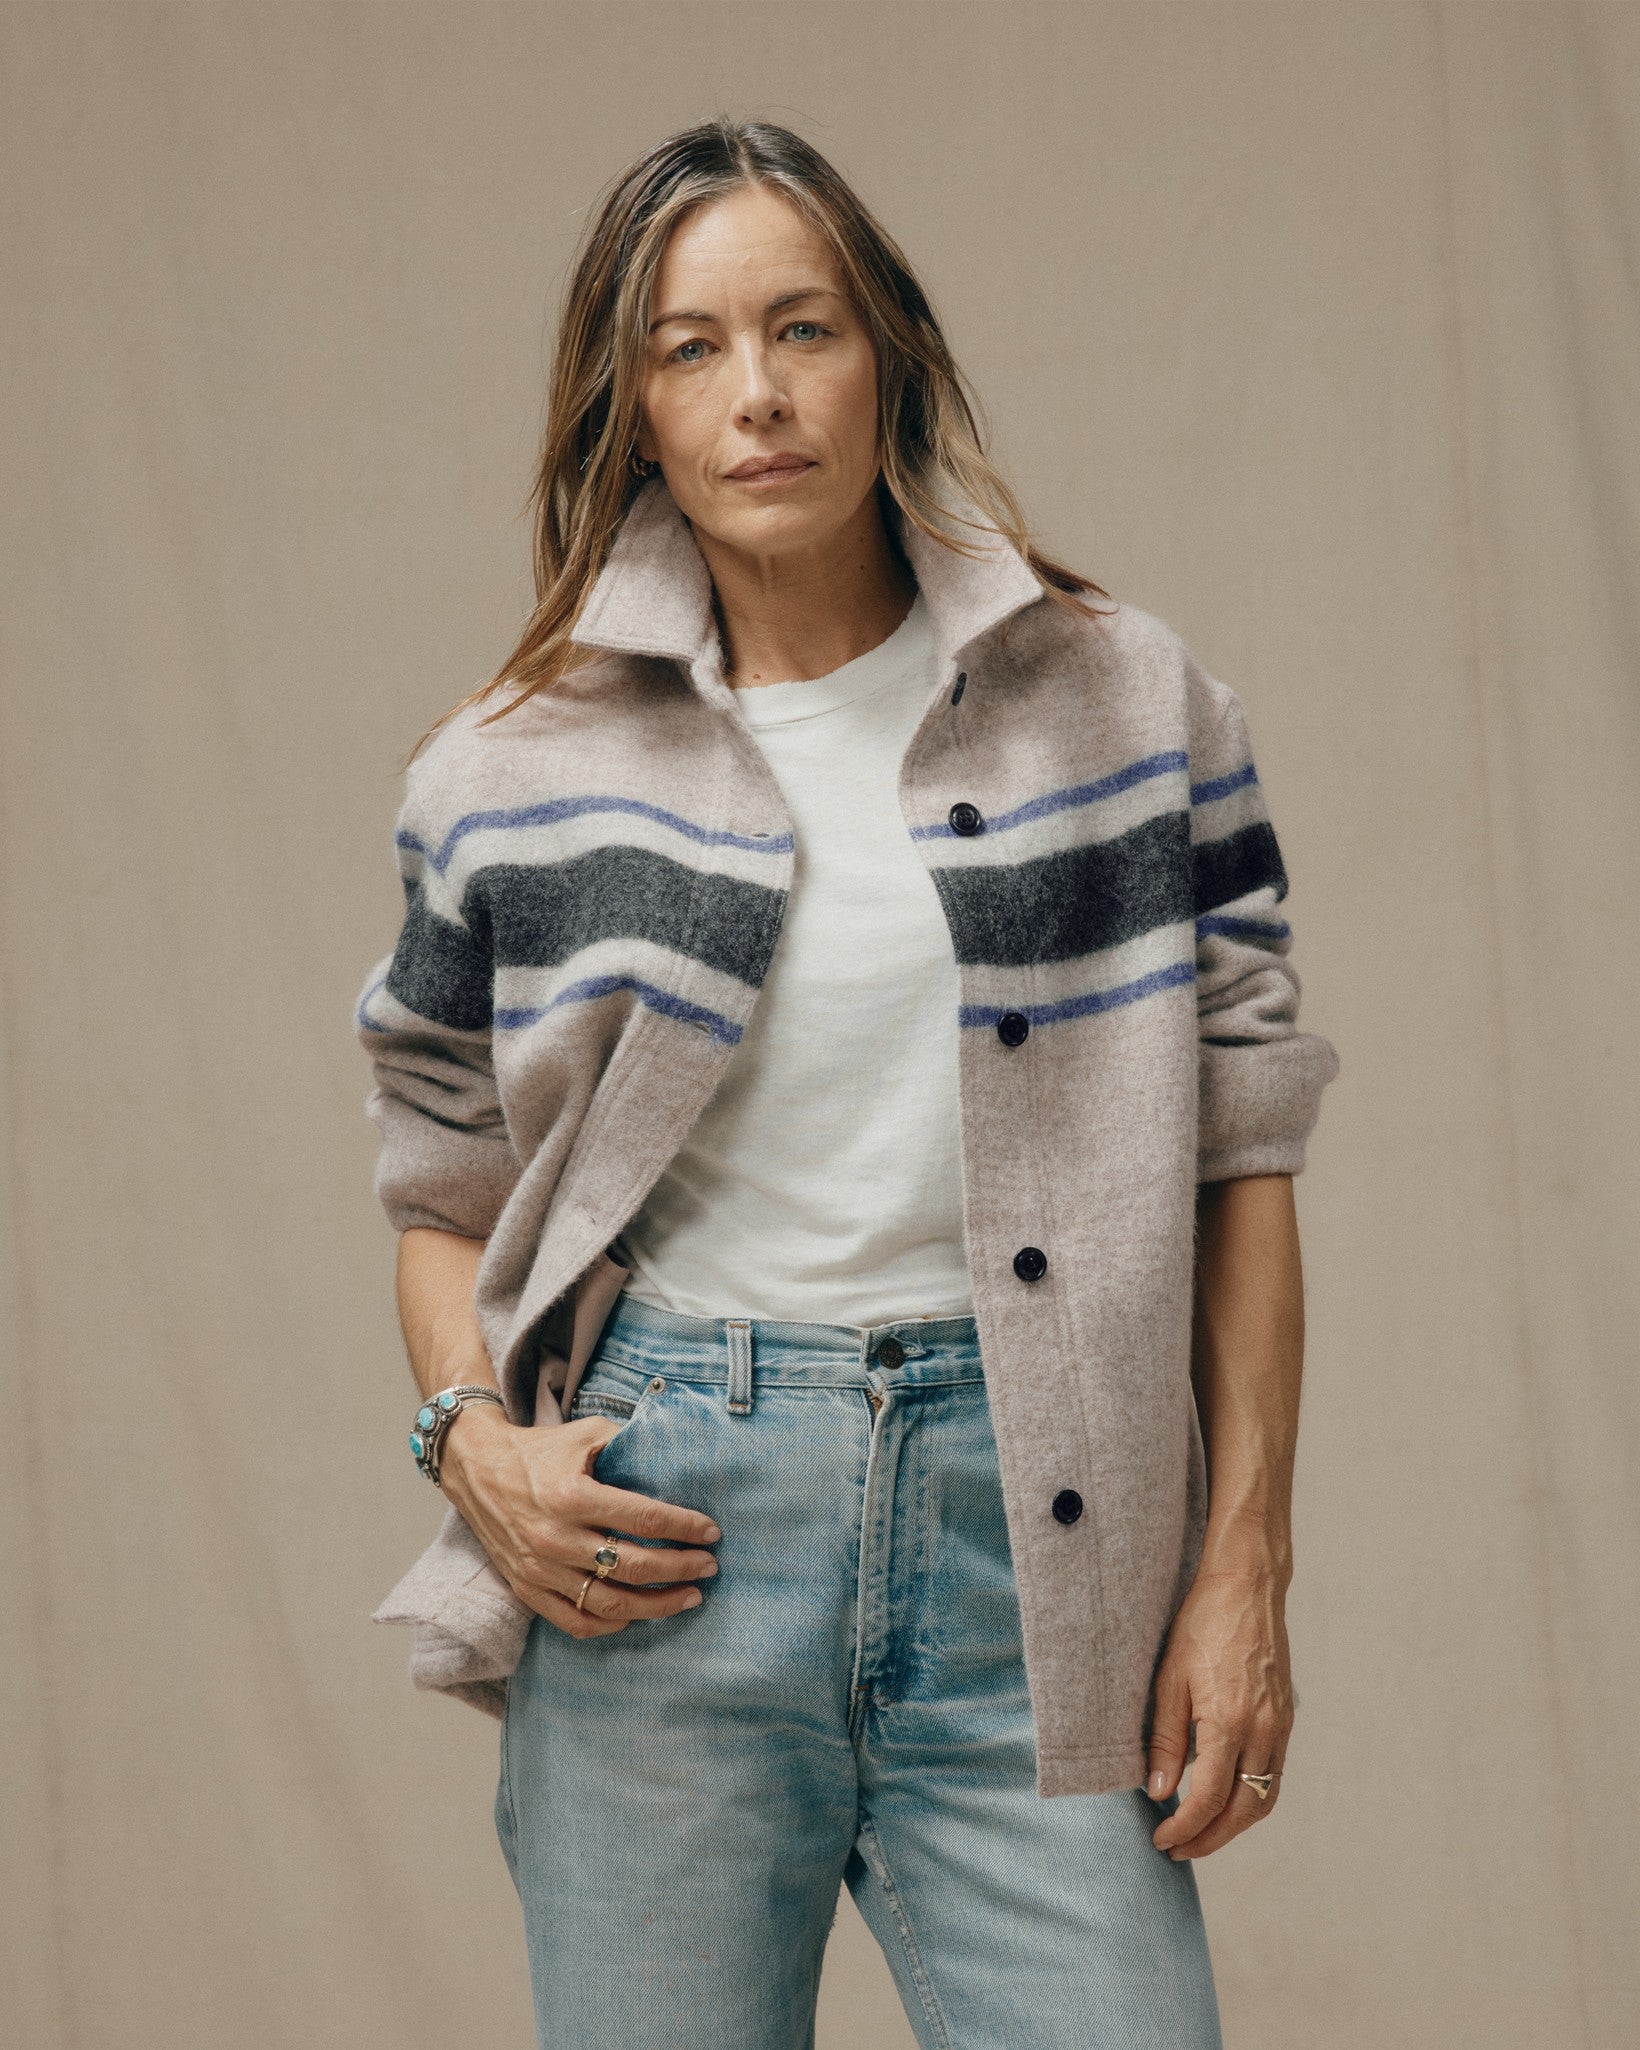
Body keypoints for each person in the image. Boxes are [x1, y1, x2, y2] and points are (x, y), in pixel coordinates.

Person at [354, 117, 1340, 2050]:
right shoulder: (505, 768)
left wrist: (1244, 1557)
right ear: (634, 415)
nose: (758, 392)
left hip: (1033, 1532)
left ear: (888, 355)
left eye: (802, 327)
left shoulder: (1125, 701)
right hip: (668, 1527)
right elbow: (442, 1182)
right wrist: (472, 1441)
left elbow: (1243, 1149)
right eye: (691, 347)